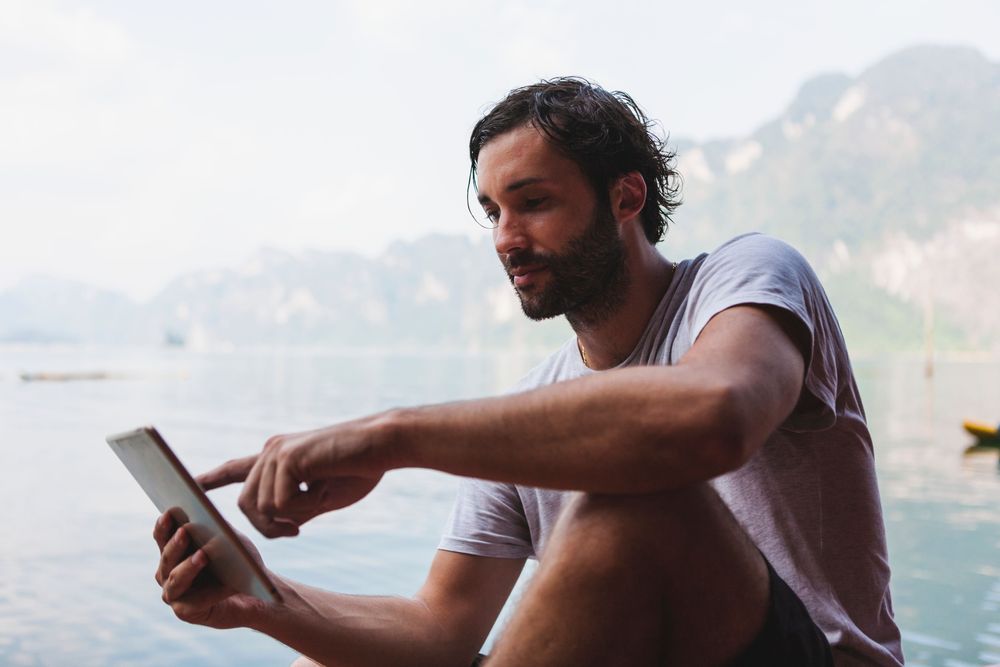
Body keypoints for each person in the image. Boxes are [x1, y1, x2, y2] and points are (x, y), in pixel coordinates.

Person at [153, 78, 904, 666]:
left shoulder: (747, 276)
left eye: (534, 203)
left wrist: (386, 436)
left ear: (625, 196)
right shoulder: (533, 404)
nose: (506, 239)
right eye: (492, 212)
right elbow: (441, 627)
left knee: (631, 503)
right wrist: (262, 596)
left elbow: (715, 417)